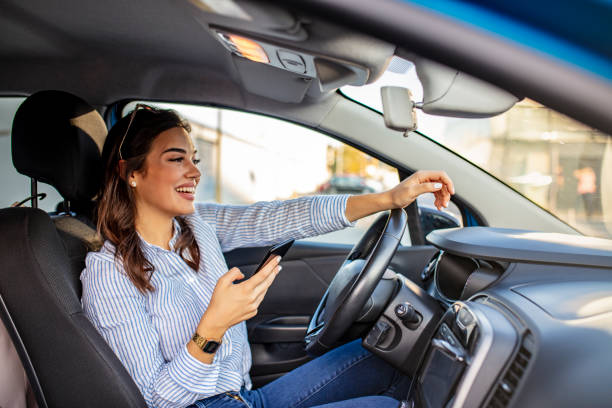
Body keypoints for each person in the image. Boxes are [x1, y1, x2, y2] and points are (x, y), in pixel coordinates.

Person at [80, 105, 454, 408]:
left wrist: (388, 199)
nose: (195, 171)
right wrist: (214, 326)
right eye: (177, 159)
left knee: (393, 357)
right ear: (130, 173)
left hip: (245, 398)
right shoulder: (108, 273)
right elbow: (154, 399)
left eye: (194, 158)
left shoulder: (197, 225)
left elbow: (283, 217)